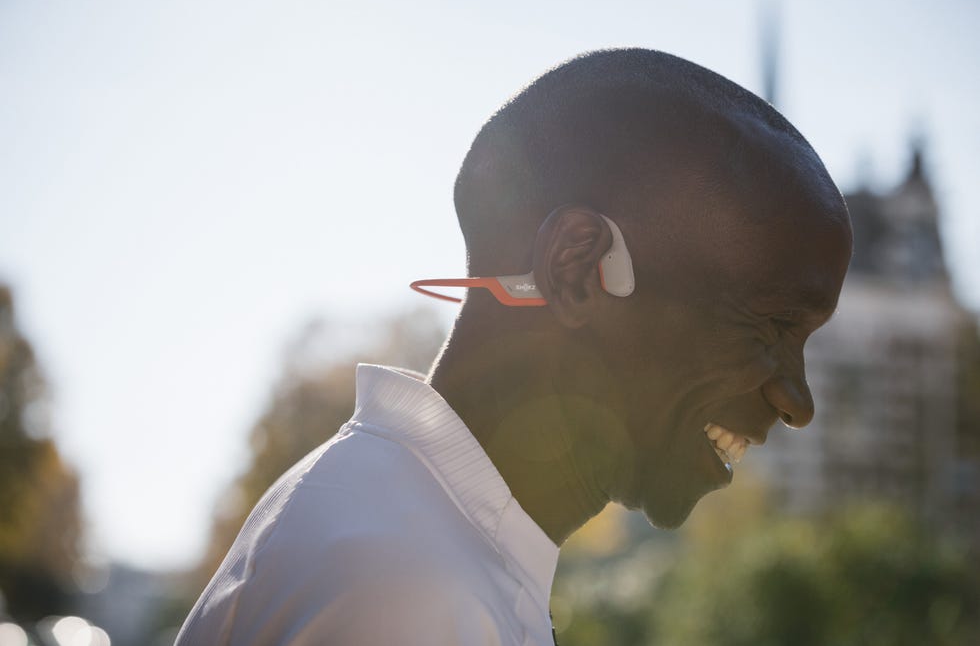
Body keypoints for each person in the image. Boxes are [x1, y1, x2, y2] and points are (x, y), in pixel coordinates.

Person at [176, 48, 852, 645]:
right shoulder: (411, 593)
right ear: (579, 270)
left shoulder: (405, 533)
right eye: (771, 327)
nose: (797, 402)